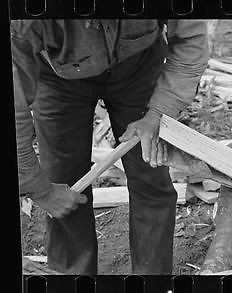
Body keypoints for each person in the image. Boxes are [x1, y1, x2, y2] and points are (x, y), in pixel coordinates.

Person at [11, 19, 208, 274]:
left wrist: (159, 112)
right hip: (58, 78)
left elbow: (191, 38)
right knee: (64, 182)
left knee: (151, 171)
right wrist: (38, 188)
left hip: (139, 65)